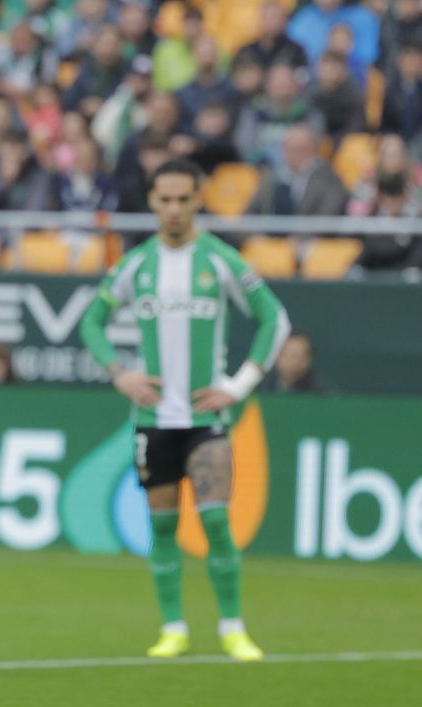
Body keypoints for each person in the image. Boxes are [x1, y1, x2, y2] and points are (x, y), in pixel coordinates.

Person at [79, 158, 291, 663]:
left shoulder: (219, 260)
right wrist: (120, 373)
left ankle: (233, 628)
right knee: (162, 528)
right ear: (152, 203)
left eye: (183, 199)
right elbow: (91, 323)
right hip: (153, 421)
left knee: (217, 523)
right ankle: (172, 627)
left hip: (206, 419)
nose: (174, 209)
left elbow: (274, 319)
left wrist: (239, 384)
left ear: (199, 200)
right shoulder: (135, 266)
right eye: (164, 199)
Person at [259, 333, 334, 394]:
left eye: (302, 356)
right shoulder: (261, 388)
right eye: (291, 356)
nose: (296, 362)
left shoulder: (322, 392)